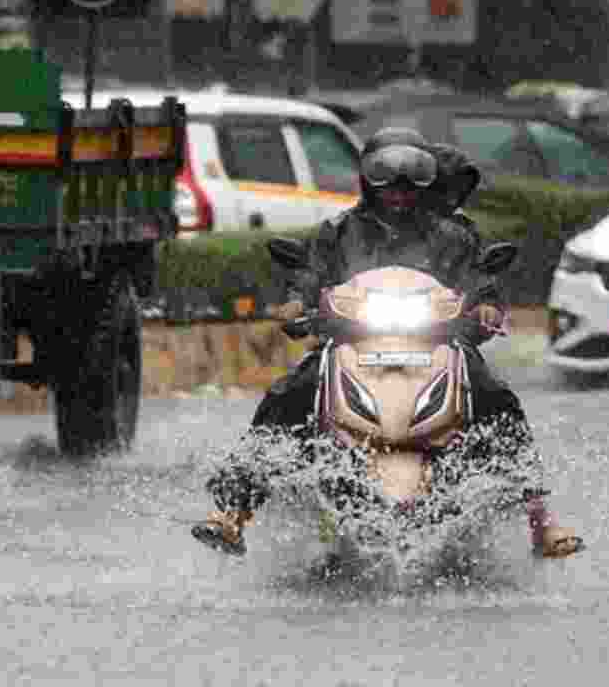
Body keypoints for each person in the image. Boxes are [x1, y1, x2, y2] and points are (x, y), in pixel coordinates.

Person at [192, 127, 582, 559]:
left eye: (411, 177)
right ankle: (233, 513)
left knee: (497, 397)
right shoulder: (340, 231)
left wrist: (486, 308)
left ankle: (541, 521)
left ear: (426, 181)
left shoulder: (453, 235)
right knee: (287, 395)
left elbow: (480, 282)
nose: (398, 189)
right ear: (366, 179)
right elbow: (310, 276)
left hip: (439, 343)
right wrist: (296, 303)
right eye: (386, 177)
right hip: (351, 342)